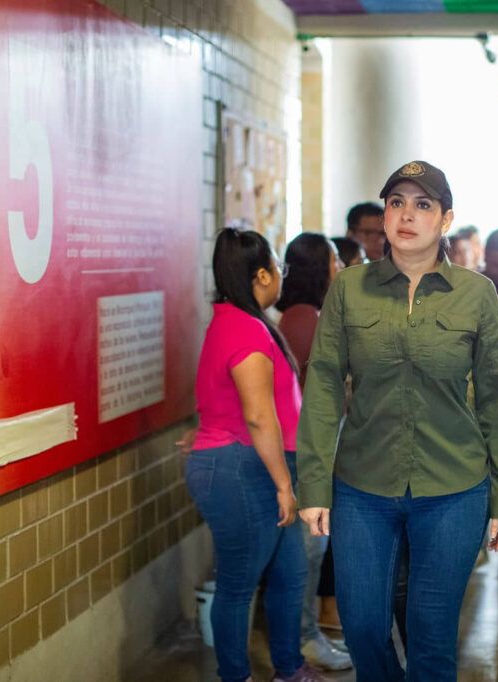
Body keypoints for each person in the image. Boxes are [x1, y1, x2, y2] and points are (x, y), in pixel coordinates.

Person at [296, 160, 498, 681]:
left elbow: (495, 397)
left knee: (431, 633)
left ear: (445, 219)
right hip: (362, 486)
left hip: (454, 487)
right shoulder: (350, 290)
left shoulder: (476, 294)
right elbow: (325, 385)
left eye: (423, 205)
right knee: (362, 626)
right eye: (397, 202)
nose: (406, 215)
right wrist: (313, 482)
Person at [186, 228, 326, 682]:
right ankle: (236, 675)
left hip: (260, 462)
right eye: (278, 268)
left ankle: (289, 668)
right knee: (238, 584)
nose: (282, 276)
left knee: (289, 575)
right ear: (262, 274)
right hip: (244, 469)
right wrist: (285, 486)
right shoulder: (244, 328)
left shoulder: (242, 320)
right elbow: (260, 417)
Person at [274, 234, 351, 672]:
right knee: (306, 554)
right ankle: (302, 638)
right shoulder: (304, 320)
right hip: (307, 455)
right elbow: (307, 400)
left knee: (312, 552)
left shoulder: (309, 316)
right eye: (335, 259)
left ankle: (306, 635)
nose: (340, 265)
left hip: (316, 452)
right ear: (317, 268)